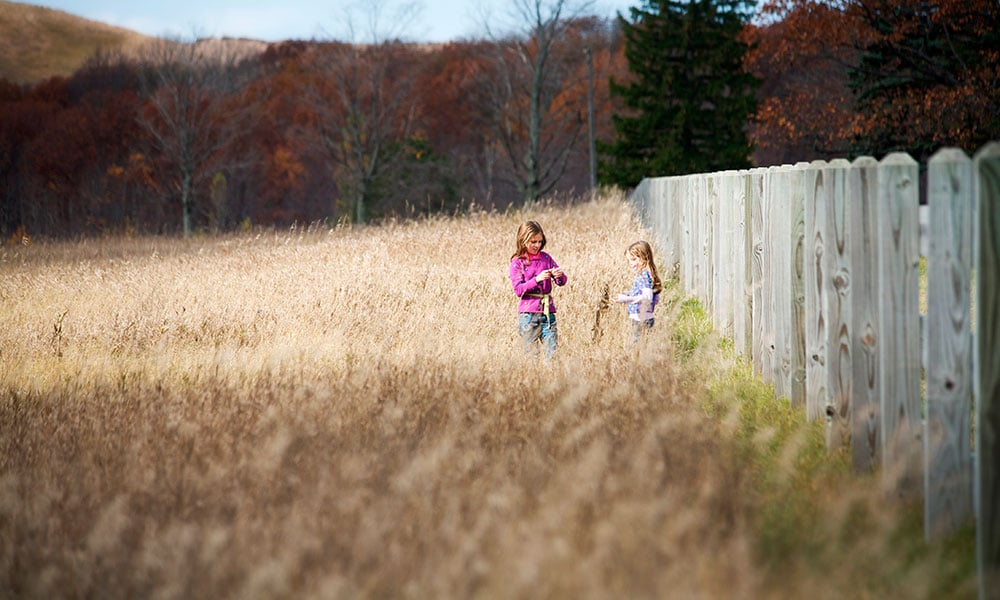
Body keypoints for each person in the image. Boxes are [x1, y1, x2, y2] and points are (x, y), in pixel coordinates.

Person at [509, 220, 568, 360]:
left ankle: (551, 378)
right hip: (528, 314)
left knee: (552, 352)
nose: (537, 245)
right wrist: (537, 279)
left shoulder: (546, 258)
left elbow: (562, 281)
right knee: (531, 355)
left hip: (548, 313)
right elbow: (518, 290)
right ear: (523, 240)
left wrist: (559, 276)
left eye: (540, 241)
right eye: (533, 242)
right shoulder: (518, 262)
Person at [614, 240, 662, 343]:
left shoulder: (644, 275)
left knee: (637, 349)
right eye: (629, 260)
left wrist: (627, 299)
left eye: (634, 259)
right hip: (643, 318)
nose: (631, 264)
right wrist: (630, 293)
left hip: (641, 320)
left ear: (644, 258)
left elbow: (647, 297)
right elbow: (656, 298)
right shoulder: (646, 274)